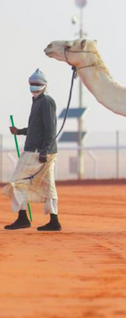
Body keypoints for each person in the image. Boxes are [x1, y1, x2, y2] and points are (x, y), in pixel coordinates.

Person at [4, 69, 61, 231]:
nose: (34, 87)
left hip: (38, 152)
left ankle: (23, 218)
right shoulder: (37, 101)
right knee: (48, 185)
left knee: (17, 183)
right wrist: (19, 131)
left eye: (37, 84)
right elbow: (37, 128)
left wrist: (44, 150)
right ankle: (54, 221)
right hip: (42, 151)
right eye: (32, 84)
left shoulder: (46, 102)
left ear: (45, 85)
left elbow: (50, 129)